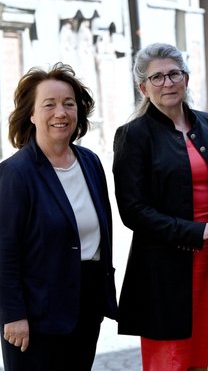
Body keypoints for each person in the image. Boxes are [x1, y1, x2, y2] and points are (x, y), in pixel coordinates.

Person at [113, 43, 208, 371]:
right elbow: (133, 211)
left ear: (186, 78)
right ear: (143, 87)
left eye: (174, 74)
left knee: (201, 357)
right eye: (157, 77)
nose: (167, 83)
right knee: (170, 361)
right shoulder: (133, 136)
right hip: (165, 268)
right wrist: (196, 231)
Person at [0, 64, 118, 370]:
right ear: (31, 114)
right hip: (35, 315)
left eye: (69, 103)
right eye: (49, 105)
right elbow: (4, 251)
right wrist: (13, 315)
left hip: (85, 305)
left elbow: (102, 233)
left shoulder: (90, 162)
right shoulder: (15, 173)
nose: (60, 113)